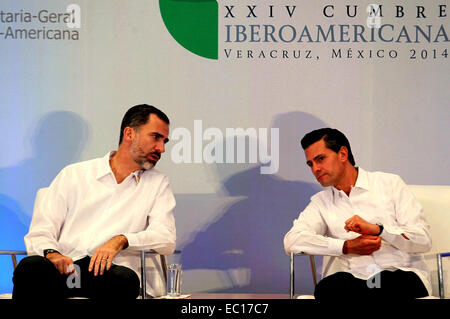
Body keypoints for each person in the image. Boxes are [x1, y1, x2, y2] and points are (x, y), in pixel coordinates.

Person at [13, 104, 176, 300]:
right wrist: (52, 254)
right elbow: (41, 231)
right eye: (156, 137)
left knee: (126, 280)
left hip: (106, 276)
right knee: (31, 267)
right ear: (130, 133)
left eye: (164, 141)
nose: (162, 148)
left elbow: (166, 238)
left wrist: (122, 240)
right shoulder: (74, 174)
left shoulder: (157, 183)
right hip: (65, 270)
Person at [284, 128, 431, 301]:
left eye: (320, 159)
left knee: (381, 283)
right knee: (328, 287)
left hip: (398, 275)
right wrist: (346, 246)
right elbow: (292, 241)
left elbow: (423, 240)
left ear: (343, 154)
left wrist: (379, 230)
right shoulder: (321, 202)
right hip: (352, 281)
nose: (315, 169)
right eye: (310, 164)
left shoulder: (390, 184)